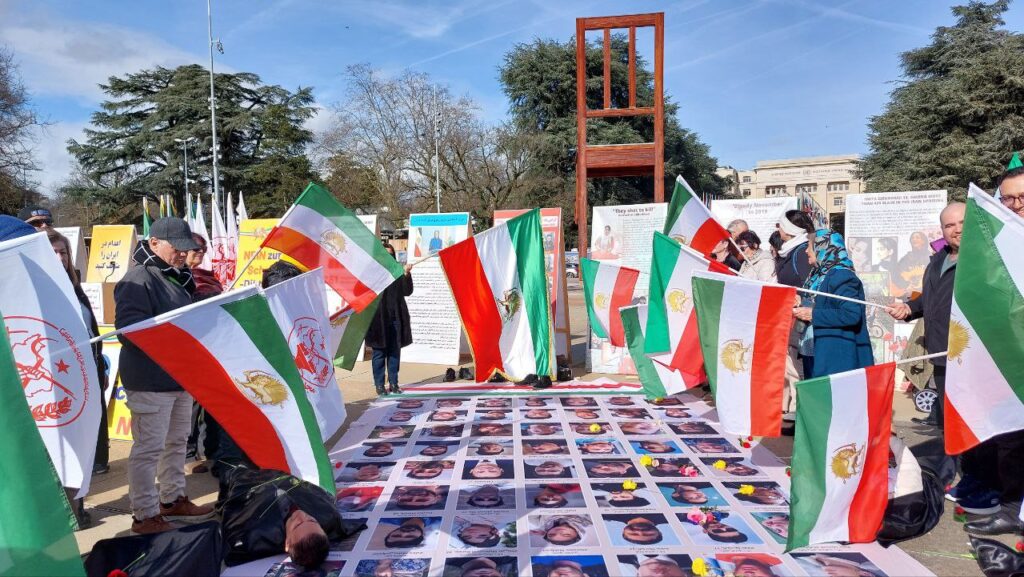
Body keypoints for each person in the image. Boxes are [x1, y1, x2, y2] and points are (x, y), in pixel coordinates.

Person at [115, 217, 213, 534]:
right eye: (178, 248)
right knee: (149, 449)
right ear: (154, 243)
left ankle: (172, 500)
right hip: (150, 380)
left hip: (177, 377)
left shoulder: (176, 276)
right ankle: (144, 515)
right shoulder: (138, 278)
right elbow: (129, 332)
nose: (183, 254)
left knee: (176, 443)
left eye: (186, 249)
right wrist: (175, 333)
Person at [48, 229, 109, 476]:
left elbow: (90, 327)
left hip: (90, 365)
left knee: (94, 417)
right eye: (54, 252)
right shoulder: (42, 288)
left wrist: (101, 367)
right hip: (62, 373)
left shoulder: (75, 285)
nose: (60, 258)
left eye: (63, 252)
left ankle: (97, 461)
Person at [219, 466, 361, 568]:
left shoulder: (257, 532)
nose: (302, 516)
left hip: (244, 473)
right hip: (281, 468)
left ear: (287, 544)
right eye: (312, 520)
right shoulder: (329, 517)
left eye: (297, 525)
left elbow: (233, 521)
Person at [792, 230, 872, 378]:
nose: (806, 251)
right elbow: (821, 303)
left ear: (821, 247)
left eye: (809, 246)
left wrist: (812, 315)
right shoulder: (818, 274)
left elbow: (851, 314)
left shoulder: (841, 275)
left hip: (835, 356)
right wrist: (801, 301)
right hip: (813, 350)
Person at [186, 233, 228, 475]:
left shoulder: (208, 277)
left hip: (215, 347)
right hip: (191, 349)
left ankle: (210, 450)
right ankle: (188, 454)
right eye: (195, 248)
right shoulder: (180, 279)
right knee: (190, 407)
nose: (200, 252)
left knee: (213, 405)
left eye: (203, 248)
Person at [365, 243, 413, 395]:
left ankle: (394, 383)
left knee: (394, 352)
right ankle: (379, 384)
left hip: (395, 318)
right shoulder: (372, 272)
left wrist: (406, 275)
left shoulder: (397, 271)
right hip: (378, 320)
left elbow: (407, 291)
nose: (388, 257)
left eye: (391, 254)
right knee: (379, 353)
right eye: (385, 254)